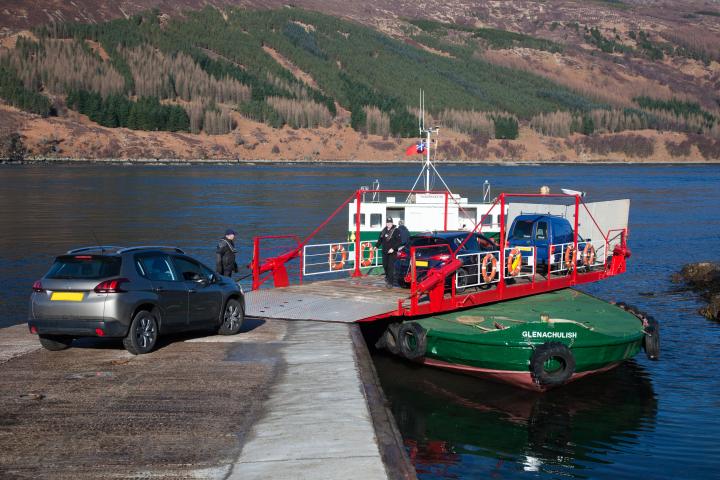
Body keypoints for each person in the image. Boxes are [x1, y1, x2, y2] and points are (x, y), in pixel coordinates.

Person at [376, 217, 401, 288]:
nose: (389, 224)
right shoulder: (384, 230)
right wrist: (376, 246)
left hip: (392, 252)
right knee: (385, 266)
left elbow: (399, 241)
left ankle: (390, 283)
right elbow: (380, 239)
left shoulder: (396, 231)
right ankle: (387, 277)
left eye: (390, 222)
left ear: (392, 223)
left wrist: (393, 248)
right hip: (384, 251)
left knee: (390, 267)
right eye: (387, 222)